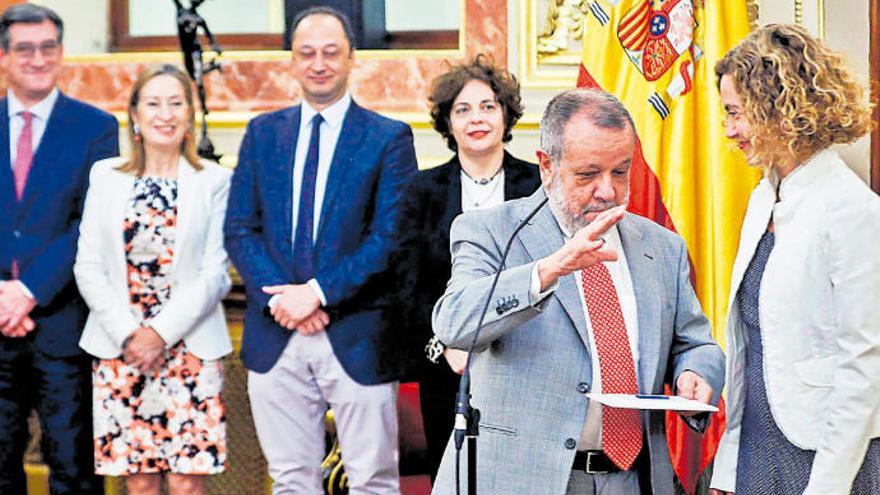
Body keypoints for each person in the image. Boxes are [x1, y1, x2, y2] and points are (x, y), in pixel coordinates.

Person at [430, 88, 725, 495]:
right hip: (526, 480)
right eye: (588, 174)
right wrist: (548, 271)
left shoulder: (661, 246)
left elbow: (695, 342)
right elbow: (454, 322)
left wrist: (696, 371)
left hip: (633, 479)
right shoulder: (491, 231)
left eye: (620, 172)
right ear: (547, 166)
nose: (607, 191)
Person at [223, 6, 417, 494]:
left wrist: (317, 293)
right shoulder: (262, 134)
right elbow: (240, 230)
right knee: (290, 482)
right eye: (307, 53)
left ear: (352, 58)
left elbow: (390, 239)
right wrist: (284, 300)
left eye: (331, 52)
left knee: (373, 481)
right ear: (292, 61)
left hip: (357, 333)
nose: (319, 63)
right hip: (276, 334)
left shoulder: (388, 138)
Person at [709, 24, 880, 495]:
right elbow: (750, 350)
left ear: (776, 108)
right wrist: (728, 467)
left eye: (735, 114)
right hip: (758, 449)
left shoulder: (852, 209)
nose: (728, 131)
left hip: (828, 459)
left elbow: (863, 363)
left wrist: (827, 486)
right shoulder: (763, 200)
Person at [74, 64, 232, 495]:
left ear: (190, 116)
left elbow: (215, 273)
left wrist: (158, 334)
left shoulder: (215, 180)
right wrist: (132, 335)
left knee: (186, 482)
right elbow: (87, 266)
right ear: (135, 116)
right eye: (154, 103)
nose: (165, 114)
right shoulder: (105, 176)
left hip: (191, 346)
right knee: (139, 483)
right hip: (119, 346)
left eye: (176, 103)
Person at [397, 54, 540, 481]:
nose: (476, 118)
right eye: (462, 109)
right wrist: (446, 345)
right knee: (456, 478)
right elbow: (409, 285)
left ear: (506, 116)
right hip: (448, 367)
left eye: (487, 106)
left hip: (527, 360)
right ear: (448, 123)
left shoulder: (537, 187)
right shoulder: (421, 192)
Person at [0, 4, 119, 493]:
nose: (37, 58)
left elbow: (92, 222)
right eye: (25, 48)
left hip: (63, 327)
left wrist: (27, 290)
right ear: (4, 56)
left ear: (62, 53)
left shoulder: (95, 127)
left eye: (48, 47)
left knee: (73, 471)